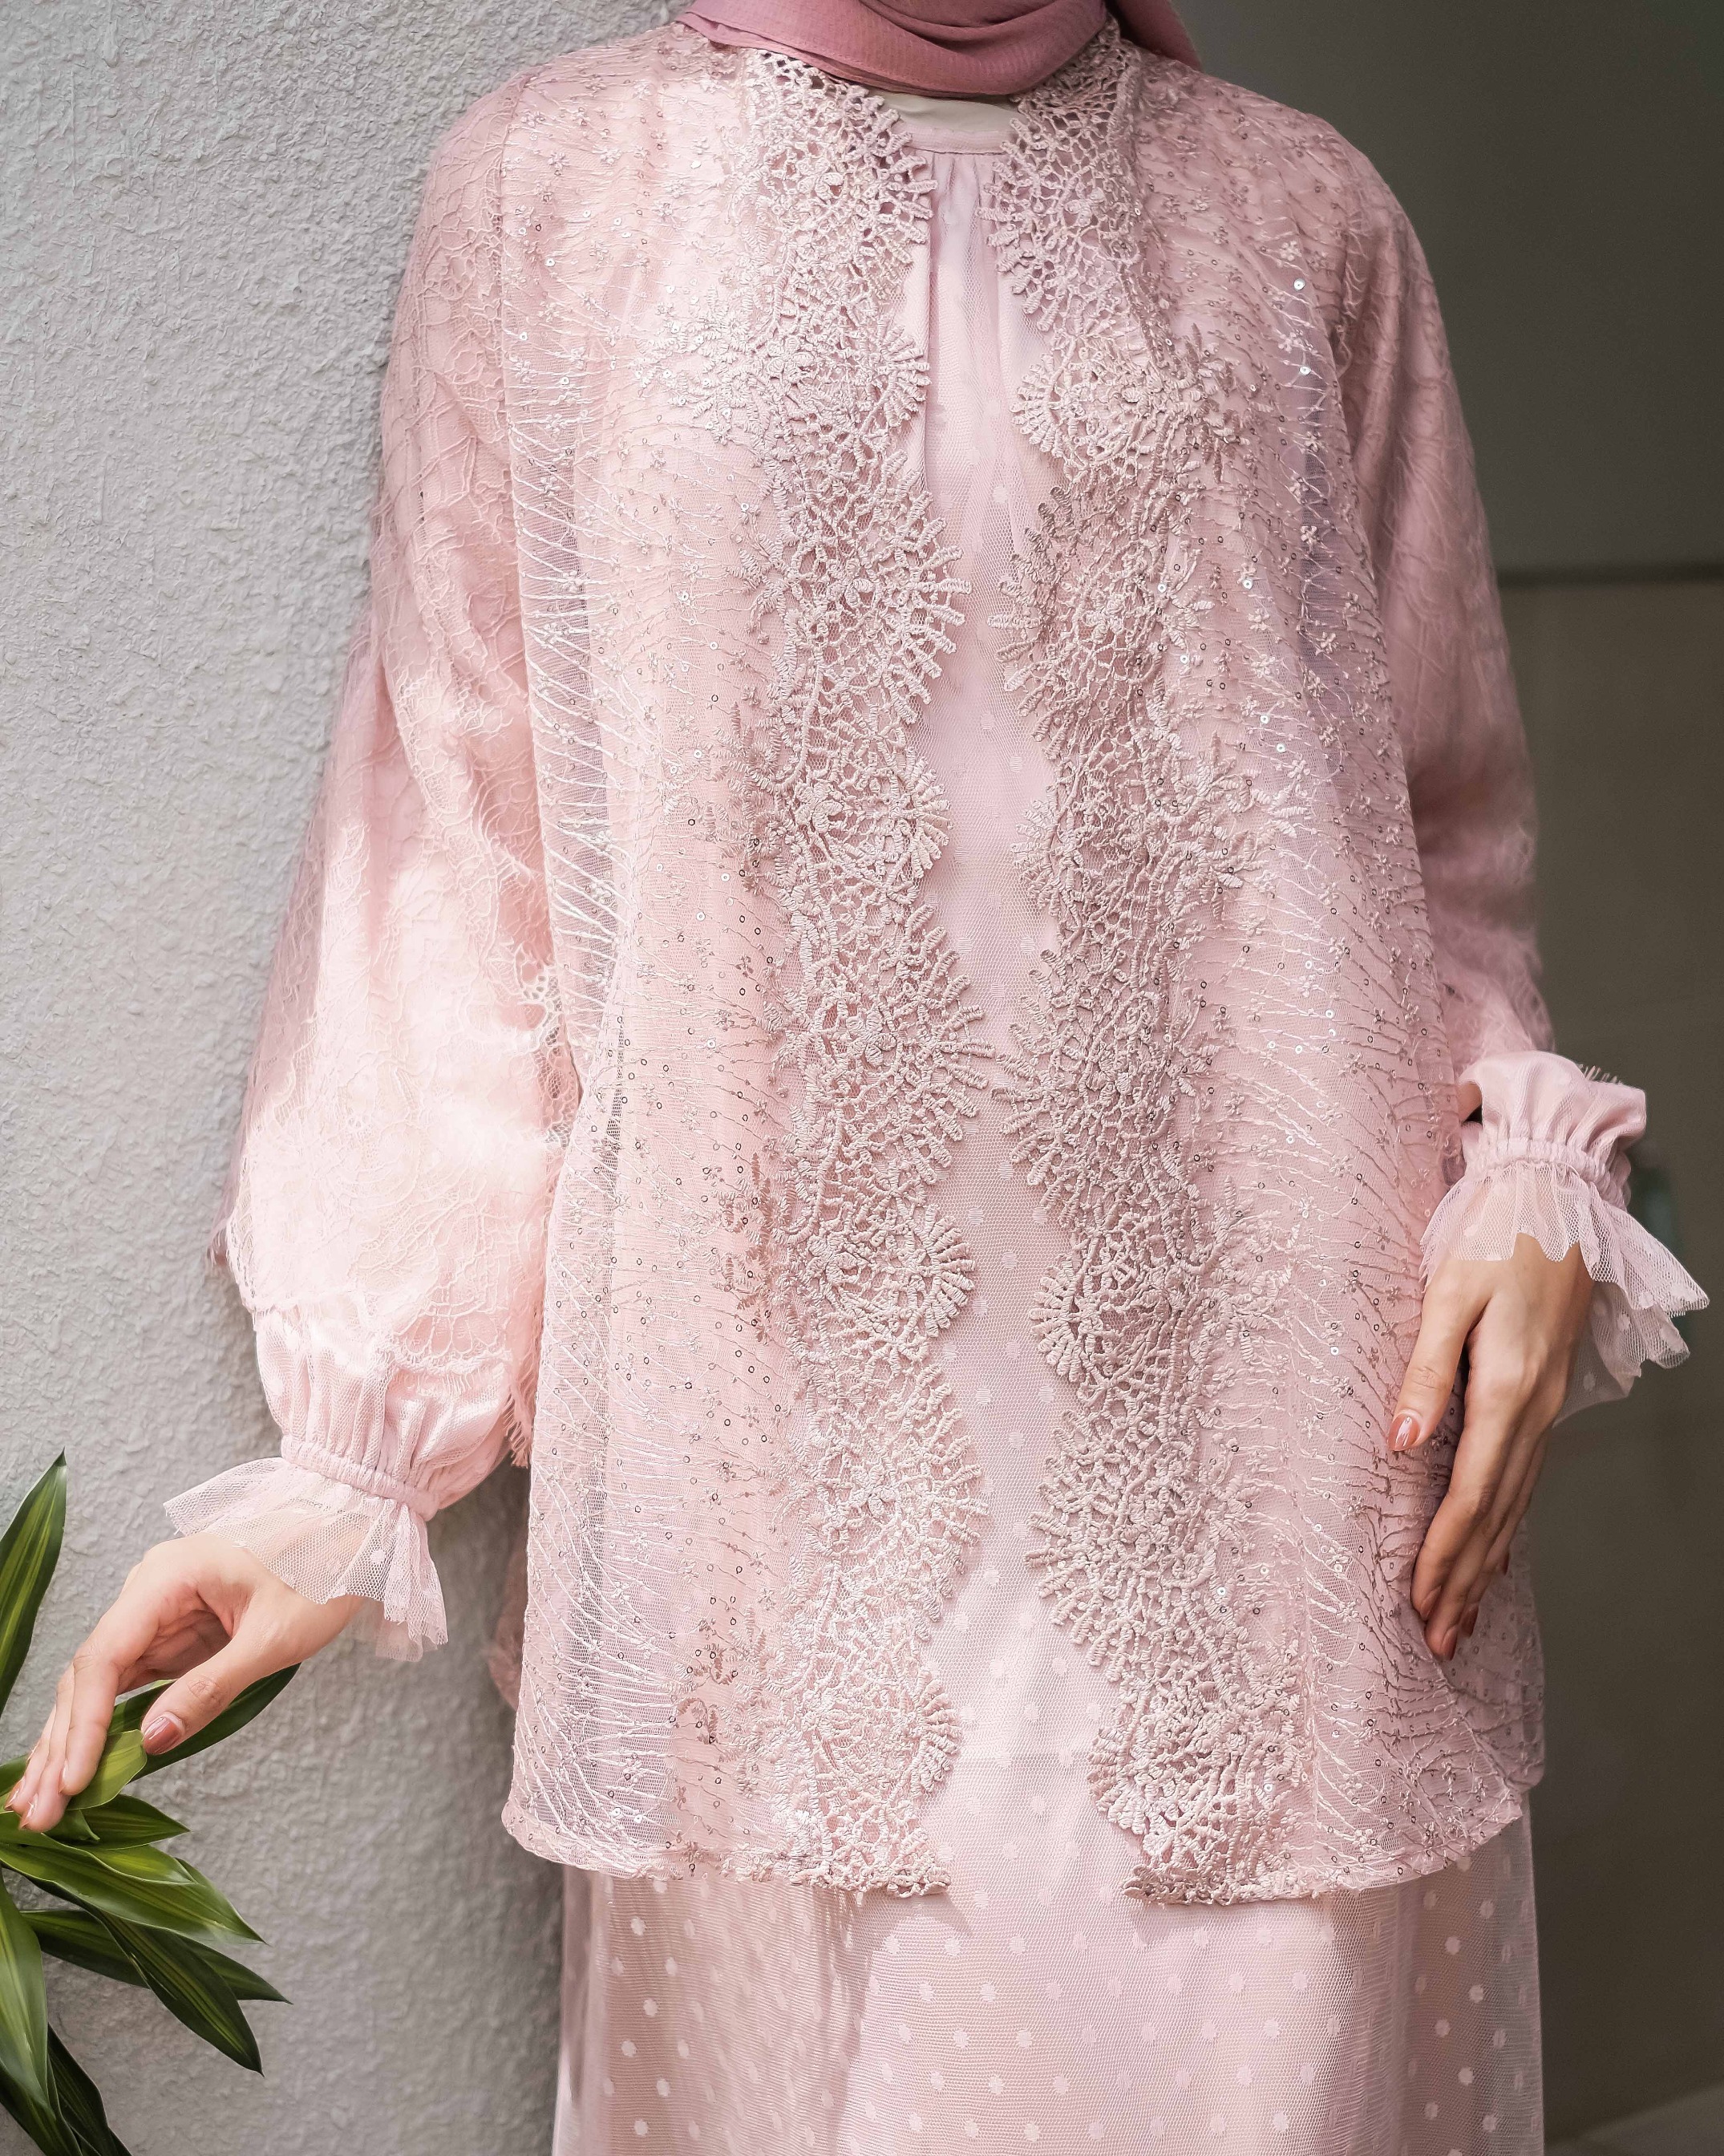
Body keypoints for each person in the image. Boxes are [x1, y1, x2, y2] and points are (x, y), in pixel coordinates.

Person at [9, 2, 1705, 2149]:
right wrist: (358, 1457)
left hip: (1290, 1533)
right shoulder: (557, 193)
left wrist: (1522, 1167)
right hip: (767, 1563)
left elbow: (1438, 837)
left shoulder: (1304, 217)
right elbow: (460, 841)